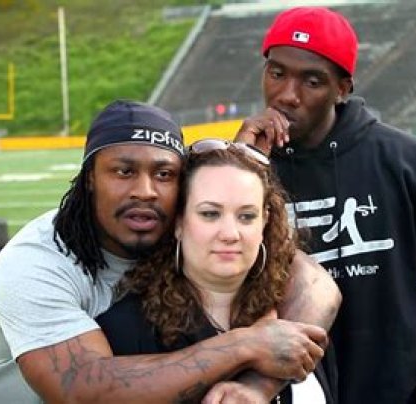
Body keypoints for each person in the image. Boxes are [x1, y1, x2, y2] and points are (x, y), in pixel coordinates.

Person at [0, 100, 341, 403]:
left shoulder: (172, 224)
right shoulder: (36, 261)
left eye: (164, 174)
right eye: (124, 172)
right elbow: (81, 389)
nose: (145, 191)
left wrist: (261, 383)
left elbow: (315, 283)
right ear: (89, 179)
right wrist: (246, 344)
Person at [235, 7, 416, 403]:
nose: (287, 95)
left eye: (312, 81)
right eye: (277, 73)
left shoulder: (406, 161)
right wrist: (241, 167)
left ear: (343, 88)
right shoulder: (244, 167)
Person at [97, 139, 336, 403]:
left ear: (265, 222)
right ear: (179, 222)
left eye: (246, 216)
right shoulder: (125, 330)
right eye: (210, 214)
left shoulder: (295, 312)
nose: (230, 234)